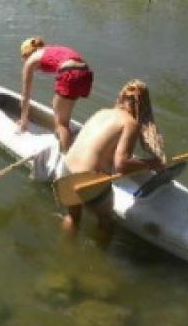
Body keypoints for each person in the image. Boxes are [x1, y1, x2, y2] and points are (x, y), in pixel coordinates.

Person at [57, 79, 167, 235]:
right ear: (143, 106)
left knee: (73, 217)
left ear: (121, 97)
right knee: (106, 221)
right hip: (88, 179)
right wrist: (151, 163)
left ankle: (66, 252)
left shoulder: (102, 112)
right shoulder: (130, 123)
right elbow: (121, 165)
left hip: (66, 170)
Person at [17, 37, 93, 152]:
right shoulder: (50, 50)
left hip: (70, 73)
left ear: (27, 54)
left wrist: (23, 121)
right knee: (58, 106)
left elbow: (25, 96)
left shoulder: (30, 60)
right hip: (85, 73)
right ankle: (69, 137)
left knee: (61, 124)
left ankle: (66, 158)